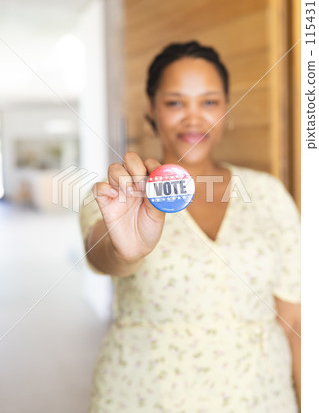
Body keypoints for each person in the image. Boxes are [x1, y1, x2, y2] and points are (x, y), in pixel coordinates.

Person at [79, 41, 301, 412]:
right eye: (175, 102)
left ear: (226, 108)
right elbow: (102, 255)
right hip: (146, 396)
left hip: (263, 397)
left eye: (209, 102)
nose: (194, 118)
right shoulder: (118, 197)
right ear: (152, 109)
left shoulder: (267, 192)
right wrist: (124, 249)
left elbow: (293, 318)